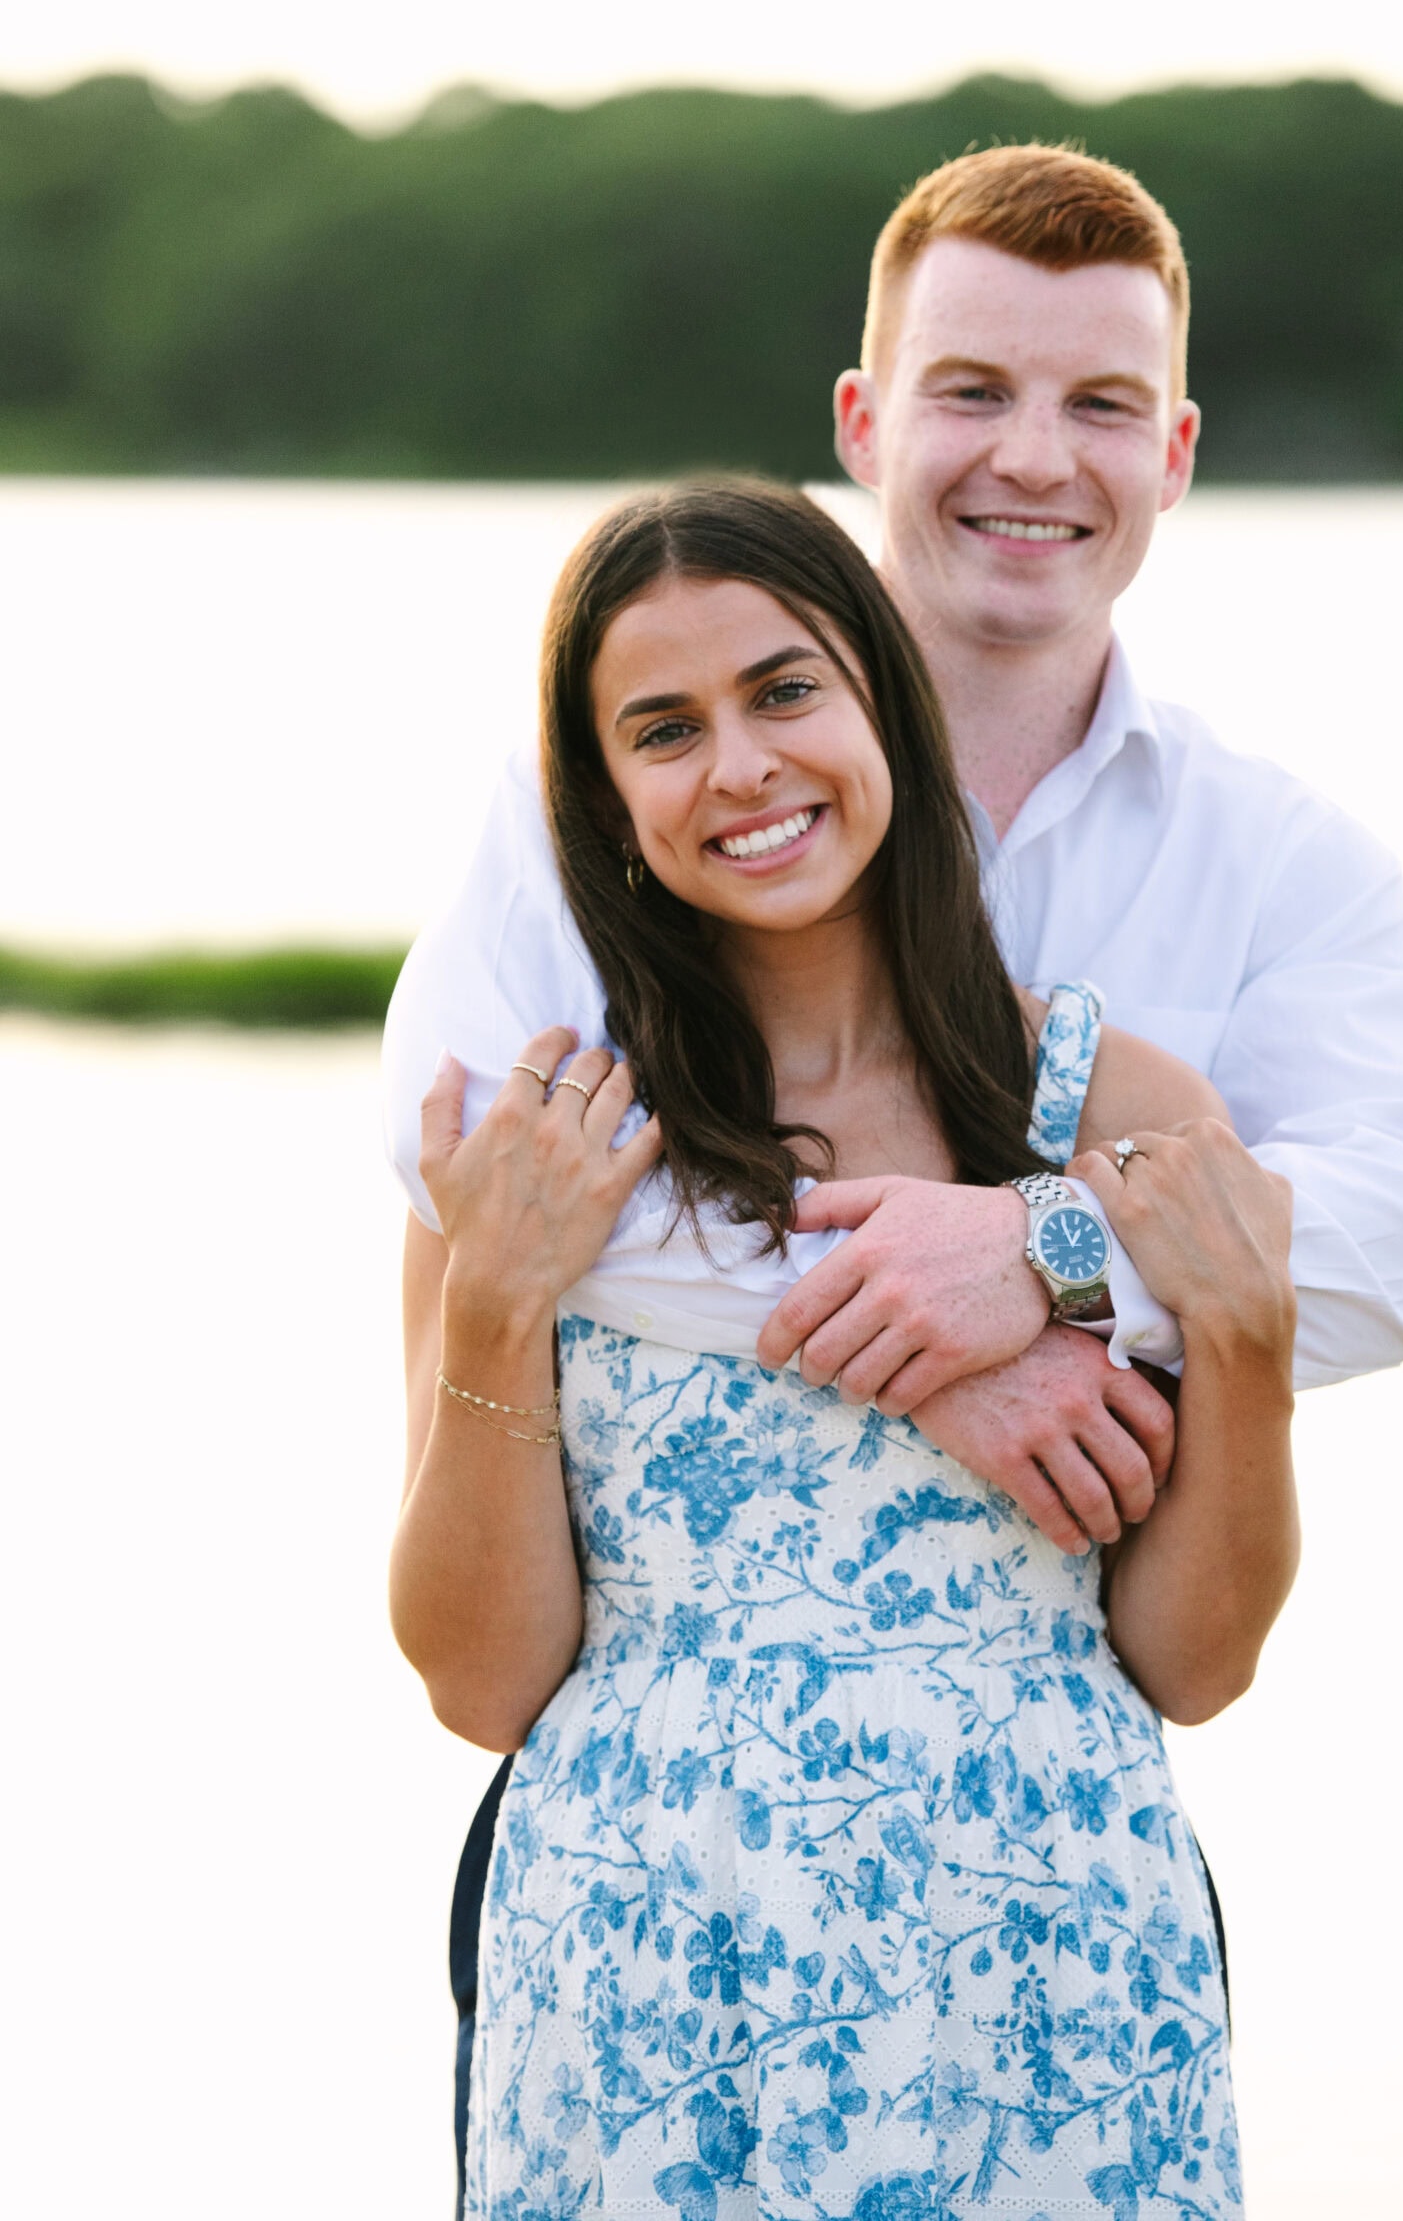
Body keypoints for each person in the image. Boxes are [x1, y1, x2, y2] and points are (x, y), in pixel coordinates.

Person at [381, 144, 1403, 2194]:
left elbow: (1397, 1241)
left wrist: (1049, 1256)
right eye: (972, 387)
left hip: (1049, 1892)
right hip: (640, 1899)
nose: (1030, 459)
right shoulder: (599, 805)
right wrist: (933, 1341)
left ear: (1176, 448)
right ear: (867, 420)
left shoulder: (1268, 865)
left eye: (1096, 404)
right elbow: (466, 1158)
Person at [391, 480, 1300, 2217]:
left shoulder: (1113, 1109)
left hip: (1051, 1943)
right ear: (601, 804)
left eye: (783, 689)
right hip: (655, 1952)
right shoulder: (549, 1146)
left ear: (880, 692)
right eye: (663, 730)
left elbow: (1197, 1661)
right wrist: (498, 1296)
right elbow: (474, 1680)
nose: (738, 766)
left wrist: (1243, 1337)